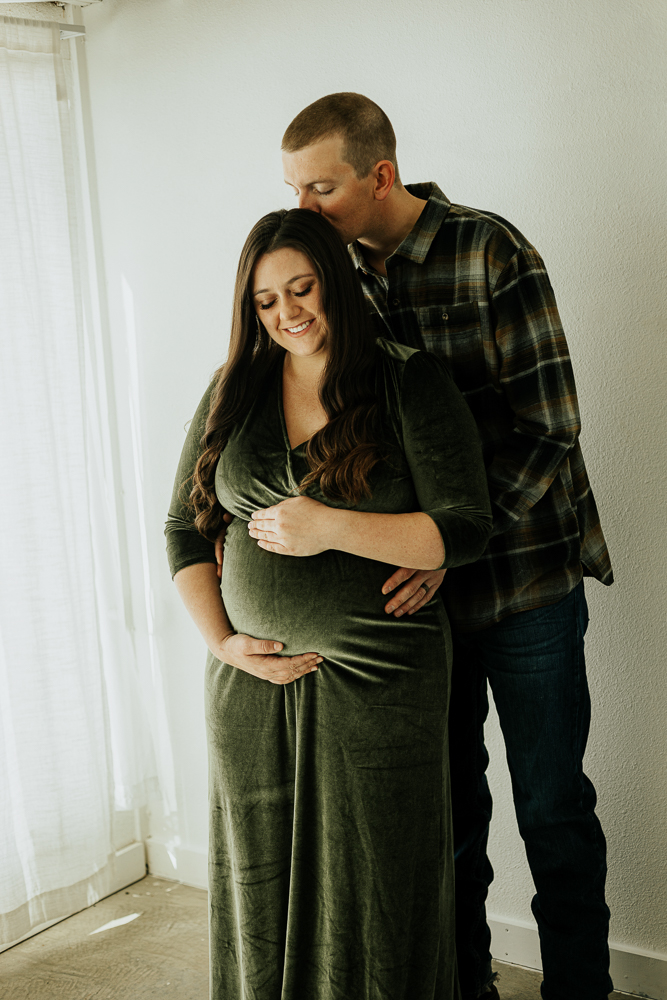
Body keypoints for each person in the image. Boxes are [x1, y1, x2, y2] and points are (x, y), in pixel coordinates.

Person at [275, 93, 615, 1000]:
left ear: (378, 175)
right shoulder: (328, 280)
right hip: (413, 605)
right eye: (293, 190)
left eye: (322, 188)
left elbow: (550, 432)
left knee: (553, 809)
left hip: (526, 580)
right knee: (448, 812)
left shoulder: (489, 252)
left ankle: (578, 988)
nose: (304, 210)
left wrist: (443, 550)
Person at [165, 207, 492, 1000]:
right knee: (260, 880)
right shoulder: (230, 390)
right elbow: (182, 528)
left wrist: (330, 527)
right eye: (266, 301)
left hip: (380, 683)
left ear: (335, 283)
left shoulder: (406, 379)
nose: (288, 313)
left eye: (302, 289)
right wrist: (221, 642)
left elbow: (464, 529)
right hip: (251, 686)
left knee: (378, 885)